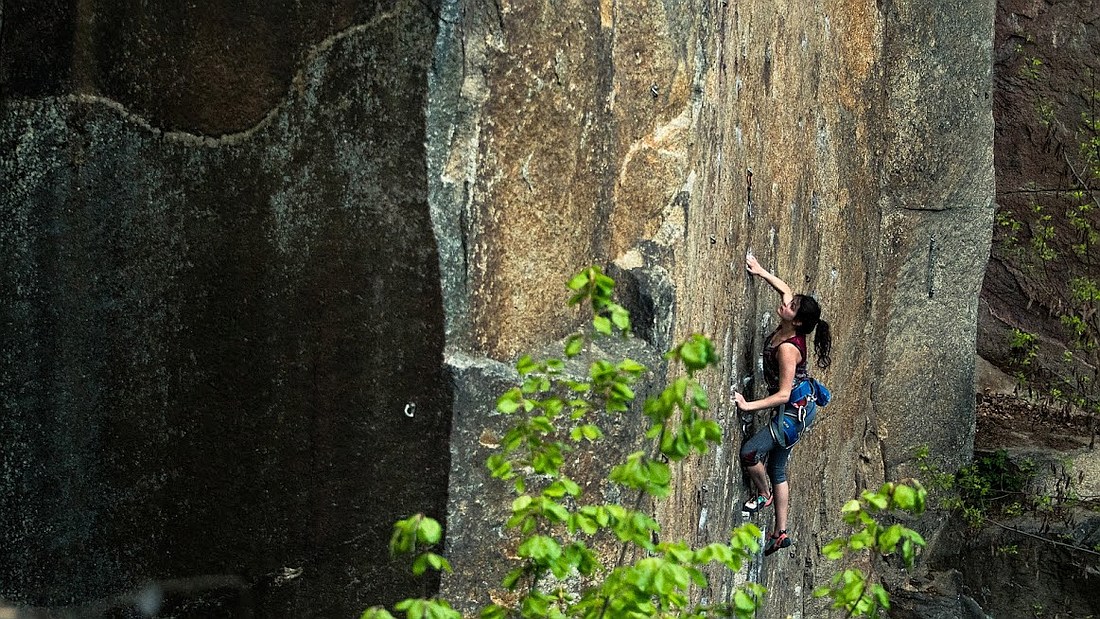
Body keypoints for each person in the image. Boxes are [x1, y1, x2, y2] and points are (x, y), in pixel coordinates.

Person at [733, 254, 832, 556]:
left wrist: (748, 406)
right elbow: (785, 288)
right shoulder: (792, 322)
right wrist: (761, 271)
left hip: (793, 411)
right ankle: (781, 532)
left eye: (791, 307)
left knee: (750, 452)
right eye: (790, 302)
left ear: (797, 320)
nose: (786, 304)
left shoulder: (789, 349)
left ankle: (763, 495)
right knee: (777, 466)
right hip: (803, 404)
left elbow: (783, 395)